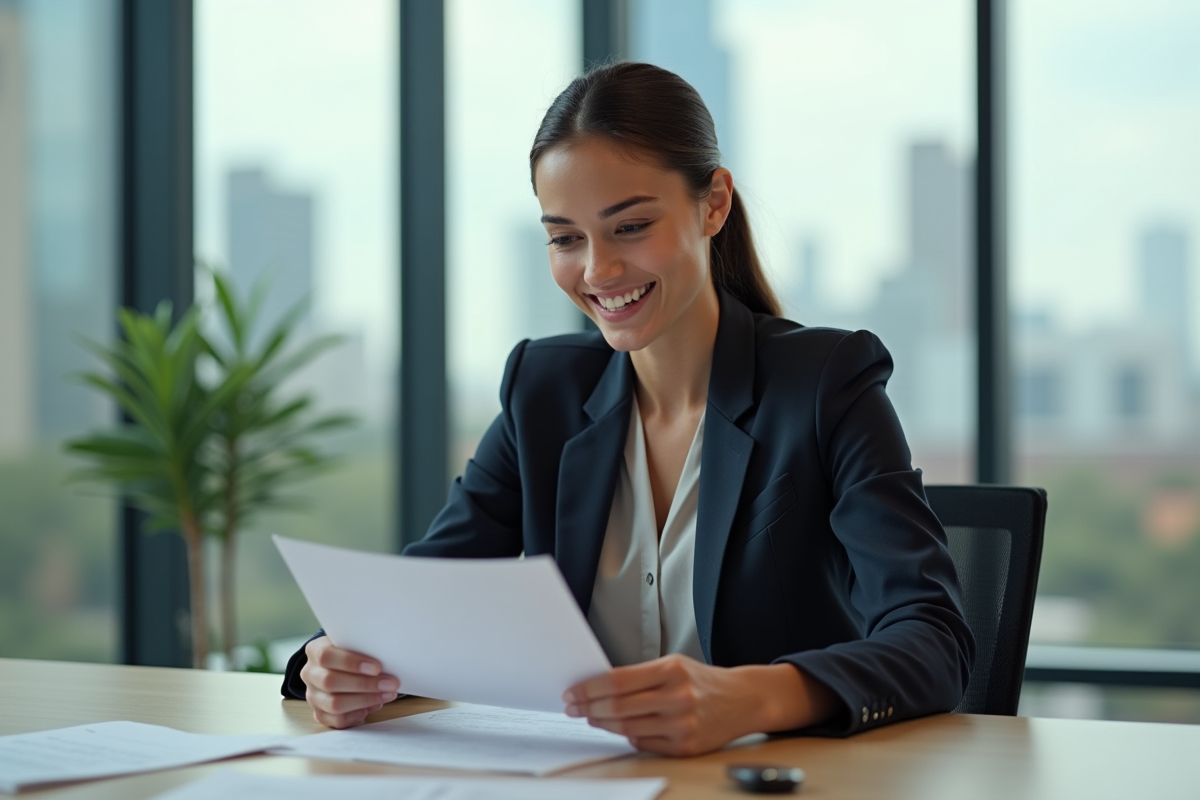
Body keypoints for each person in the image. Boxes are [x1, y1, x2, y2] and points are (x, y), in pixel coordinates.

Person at [282, 61, 974, 757]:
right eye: (565, 238)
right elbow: (422, 602)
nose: (598, 271)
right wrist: (338, 664)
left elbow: (934, 640)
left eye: (631, 226)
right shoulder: (542, 389)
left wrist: (750, 698)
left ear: (714, 204)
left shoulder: (825, 383)